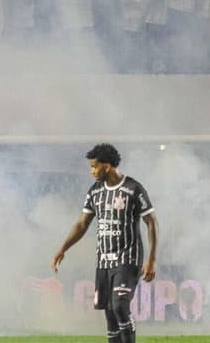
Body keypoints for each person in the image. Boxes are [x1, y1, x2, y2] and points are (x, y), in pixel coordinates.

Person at [52, 144, 158, 343]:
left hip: (128, 258)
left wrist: (151, 259)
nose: (92, 171)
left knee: (119, 306)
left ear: (107, 166)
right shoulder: (95, 192)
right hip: (104, 262)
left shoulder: (133, 189)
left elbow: (151, 222)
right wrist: (63, 248)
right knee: (109, 313)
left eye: (94, 166)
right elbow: (82, 224)